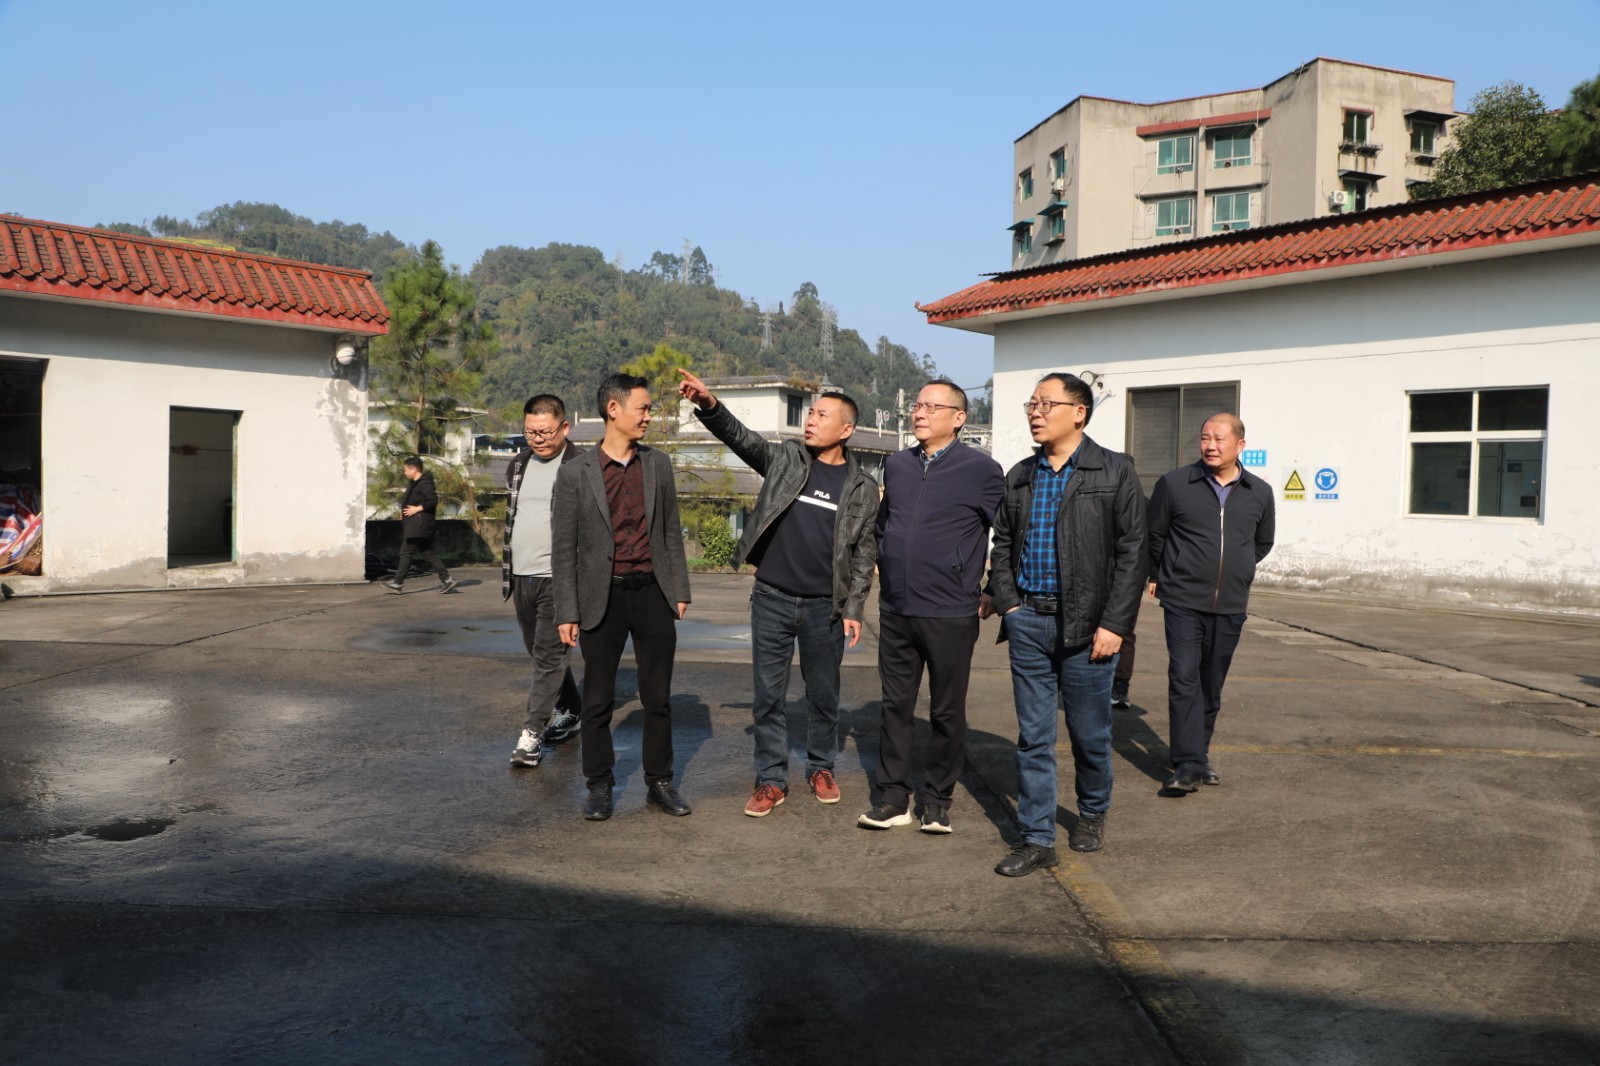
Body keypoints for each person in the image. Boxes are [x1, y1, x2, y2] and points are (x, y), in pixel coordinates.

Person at [676, 369, 878, 817]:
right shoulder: (787, 459)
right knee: (768, 696)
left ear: (846, 429)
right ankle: (771, 779)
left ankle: (822, 767)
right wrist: (709, 404)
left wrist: (854, 607)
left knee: (824, 695)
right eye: (811, 413)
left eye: (822, 415)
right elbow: (742, 440)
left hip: (825, 607)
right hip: (771, 598)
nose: (811, 420)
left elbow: (864, 553)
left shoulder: (862, 487)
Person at [983, 373, 1145, 876]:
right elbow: (1003, 545)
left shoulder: (1114, 470)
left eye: (1046, 403)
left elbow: (1133, 554)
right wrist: (1010, 605)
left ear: (1079, 412)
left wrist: (1115, 624)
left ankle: (1092, 811)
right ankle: (1036, 838)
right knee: (1033, 738)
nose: (1035, 412)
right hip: (1029, 622)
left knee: (1089, 734)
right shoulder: (1021, 474)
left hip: (1090, 627)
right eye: (1032, 404)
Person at [859, 380, 1003, 834]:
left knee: (946, 711)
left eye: (931, 406)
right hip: (897, 608)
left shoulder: (982, 470)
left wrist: (995, 587)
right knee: (895, 708)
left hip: (951, 610)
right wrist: (884, 561)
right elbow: (884, 524)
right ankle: (892, 799)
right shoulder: (898, 465)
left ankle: (937, 800)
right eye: (917, 405)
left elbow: (1009, 533)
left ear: (959, 418)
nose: (919, 413)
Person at [552, 373, 692, 822]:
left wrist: (679, 589)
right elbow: (564, 548)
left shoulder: (658, 465)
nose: (649, 416)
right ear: (614, 409)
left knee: (658, 698)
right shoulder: (575, 473)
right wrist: (567, 610)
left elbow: (670, 531)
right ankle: (599, 785)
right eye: (643, 408)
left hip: (653, 593)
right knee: (597, 701)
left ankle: (660, 782)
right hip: (601, 598)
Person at [1146, 413, 1275, 793]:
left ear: (1240, 445)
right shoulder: (1175, 484)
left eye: (1219, 438)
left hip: (1231, 603)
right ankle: (1187, 763)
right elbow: (1155, 534)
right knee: (1184, 675)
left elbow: (1262, 542)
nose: (1211, 445)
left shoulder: (1260, 492)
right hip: (1182, 599)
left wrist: (1239, 569)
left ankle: (1198, 754)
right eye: (1205, 438)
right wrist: (1164, 572)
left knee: (1211, 682)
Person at [503, 394, 584, 768]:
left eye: (546, 432)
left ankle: (532, 734)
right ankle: (572, 710)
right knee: (540, 654)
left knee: (548, 658)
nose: (538, 438)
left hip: (560, 579)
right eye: (530, 432)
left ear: (564, 427)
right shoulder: (518, 464)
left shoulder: (582, 466)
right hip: (521, 576)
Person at [383, 457, 458, 594]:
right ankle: (447, 580)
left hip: (419, 524)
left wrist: (416, 509)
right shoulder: (415, 483)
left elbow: (433, 500)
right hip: (416, 523)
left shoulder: (425, 483)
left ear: (413, 469)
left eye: (406, 470)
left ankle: (398, 583)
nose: (404, 472)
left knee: (406, 552)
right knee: (429, 554)